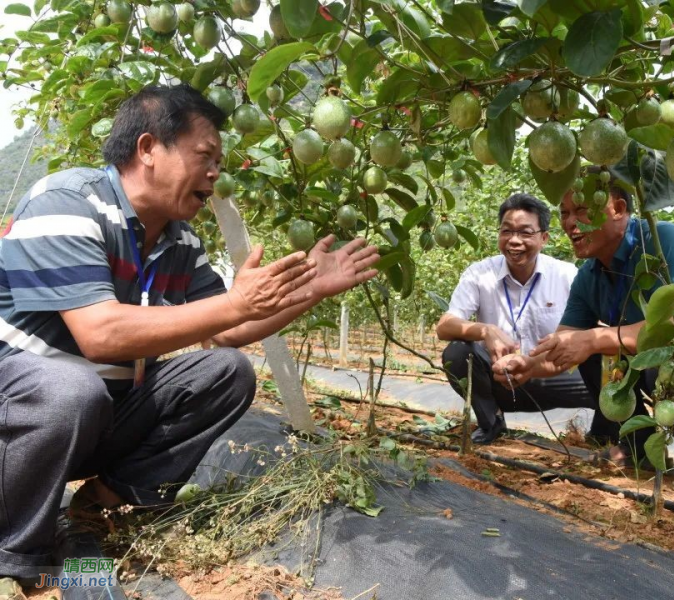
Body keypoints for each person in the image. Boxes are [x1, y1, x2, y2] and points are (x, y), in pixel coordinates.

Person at [0, 84, 379, 595]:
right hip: (23, 417)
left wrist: (310, 290)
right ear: (149, 149)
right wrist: (236, 302)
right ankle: (18, 554)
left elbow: (228, 330)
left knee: (227, 372)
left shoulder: (181, 242)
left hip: (95, 416)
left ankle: (99, 505)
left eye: (219, 161)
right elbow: (101, 334)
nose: (215, 172)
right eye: (205, 155)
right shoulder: (66, 201)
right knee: (72, 390)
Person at [494, 183, 674, 495]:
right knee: (591, 348)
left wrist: (594, 338)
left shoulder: (664, 239)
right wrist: (527, 365)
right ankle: (635, 449)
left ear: (618, 209)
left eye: (582, 211)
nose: (570, 222)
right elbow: (564, 344)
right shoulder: (588, 276)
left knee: (663, 346)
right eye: (565, 214)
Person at [436, 193, 593, 444]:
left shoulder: (566, 275)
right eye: (507, 231)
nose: (514, 241)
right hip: (502, 379)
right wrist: (485, 330)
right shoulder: (480, 274)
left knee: (604, 367)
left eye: (525, 233)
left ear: (544, 238)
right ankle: (491, 423)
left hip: (552, 376)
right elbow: (445, 326)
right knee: (456, 353)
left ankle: (609, 435)